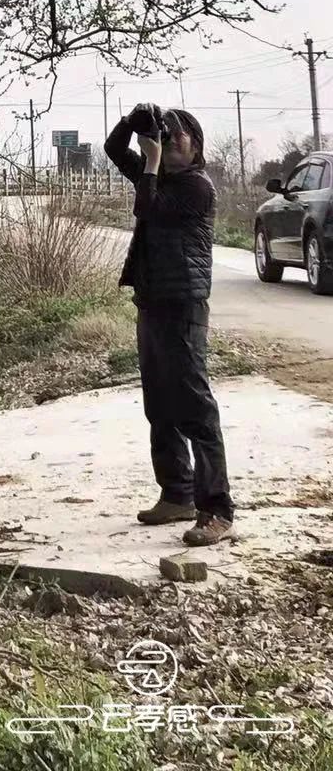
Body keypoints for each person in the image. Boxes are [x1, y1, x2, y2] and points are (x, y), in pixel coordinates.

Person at [104, 102, 234, 545]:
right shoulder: (158, 176)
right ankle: (177, 493)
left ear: (196, 147)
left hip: (183, 306)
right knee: (159, 405)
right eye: (167, 134)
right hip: (152, 303)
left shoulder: (197, 186)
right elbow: (111, 148)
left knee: (195, 408)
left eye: (179, 136)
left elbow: (148, 207)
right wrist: (132, 122)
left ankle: (216, 508)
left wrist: (153, 161)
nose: (171, 141)